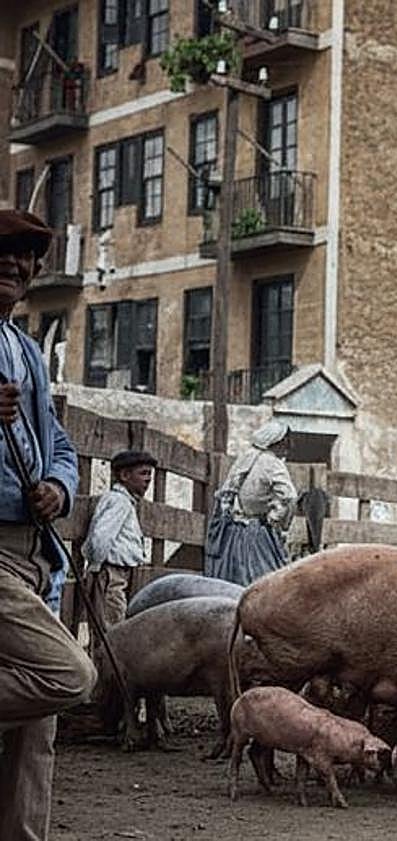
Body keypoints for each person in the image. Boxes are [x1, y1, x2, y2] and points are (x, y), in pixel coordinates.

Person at [0, 209, 96, 841]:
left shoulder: (26, 350)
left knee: (36, 737)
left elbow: (57, 443)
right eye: (2, 251)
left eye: (27, 255)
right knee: (68, 674)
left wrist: (59, 487)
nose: (15, 263)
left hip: (37, 556)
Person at [204, 419, 297, 585]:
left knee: (233, 579)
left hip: (234, 533)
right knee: (265, 579)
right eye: (287, 441)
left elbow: (227, 493)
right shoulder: (272, 464)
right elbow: (289, 497)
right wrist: (276, 519)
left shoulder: (246, 458)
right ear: (277, 441)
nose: (290, 446)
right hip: (258, 534)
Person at [82, 450, 156, 642]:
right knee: (110, 625)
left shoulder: (126, 502)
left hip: (118, 573)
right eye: (143, 473)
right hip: (110, 573)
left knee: (115, 621)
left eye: (150, 474)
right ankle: (105, 659)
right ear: (124, 475)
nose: (148, 479)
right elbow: (101, 536)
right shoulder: (118, 502)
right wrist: (96, 565)